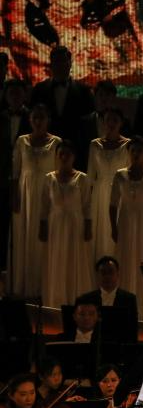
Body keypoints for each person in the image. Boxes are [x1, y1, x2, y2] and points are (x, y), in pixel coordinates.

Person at [110, 137, 143, 318]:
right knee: (125, 259)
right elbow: (113, 203)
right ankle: (124, 306)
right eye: (133, 150)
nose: (135, 154)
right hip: (125, 222)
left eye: (139, 151)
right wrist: (113, 227)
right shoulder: (120, 175)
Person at [11, 104, 60, 297]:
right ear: (30, 120)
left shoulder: (56, 142)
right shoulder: (22, 141)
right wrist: (15, 196)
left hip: (47, 193)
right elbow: (15, 171)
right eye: (35, 118)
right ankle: (24, 285)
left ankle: (44, 285)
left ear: (48, 120)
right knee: (25, 236)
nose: (39, 122)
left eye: (42, 118)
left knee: (44, 237)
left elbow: (59, 173)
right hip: (26, 194)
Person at [40, 140, 92, 307]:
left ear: (73, 157)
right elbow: (44, 205)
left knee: (73, 259)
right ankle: (56, 299)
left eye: (67, 154)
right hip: (55, 224)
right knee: (56, 259)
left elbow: (87, 205)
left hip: (75, 224)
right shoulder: (49, 178)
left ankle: (74, 298)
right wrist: (42, 226)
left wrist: (88, 226)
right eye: (61, 154)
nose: (63, 157)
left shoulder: (82, 178)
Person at [87, 107, 131, 264]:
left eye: (115, 120)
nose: (111, 124)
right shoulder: (95, 144)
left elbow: (130, 174)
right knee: (100, 231)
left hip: (120, 193)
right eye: (108, 120)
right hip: (100, 194)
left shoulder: (128, 145)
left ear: (121, 123)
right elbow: (90, 175)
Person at [29, 45, 94, 140]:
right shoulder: (39, 90)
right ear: (51, 65)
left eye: (63, 61)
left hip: (75, 144)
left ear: (70, 64)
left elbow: (89, 122)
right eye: (57, 62)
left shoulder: (84, 91)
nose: (60, 65)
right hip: (45, 143)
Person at [0, 80, 30, 276]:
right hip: (1, 178)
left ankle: (21, 268)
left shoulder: (32, 117)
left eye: (18, 93)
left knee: (21, 225)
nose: (15, 97)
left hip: (25, 180)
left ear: (24, 95)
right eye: (11, 93)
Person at [76, 80, 127, 170]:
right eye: (101, 95)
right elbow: (81, 153)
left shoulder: (124, 122)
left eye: (107, 95)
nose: (104, 99)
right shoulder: (84, 123)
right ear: (95, 97)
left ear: (113, 97)